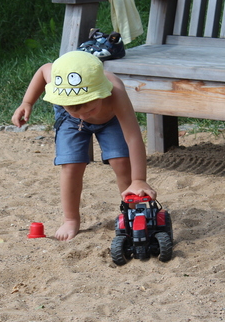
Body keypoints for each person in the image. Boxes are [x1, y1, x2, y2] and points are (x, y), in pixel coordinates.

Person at [12, 50, 157, 241]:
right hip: (70, 122)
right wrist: (27, 102)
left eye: (90, 109)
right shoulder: (59, 80)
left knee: (122, 161)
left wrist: (139, 179)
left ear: (101, 93)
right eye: (75, 109)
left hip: (110, 120)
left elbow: (133, 138)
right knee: (71, 164)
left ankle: (131, 213)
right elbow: (44, 69)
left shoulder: (115, 92)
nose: (83, 115)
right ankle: (71, 219)